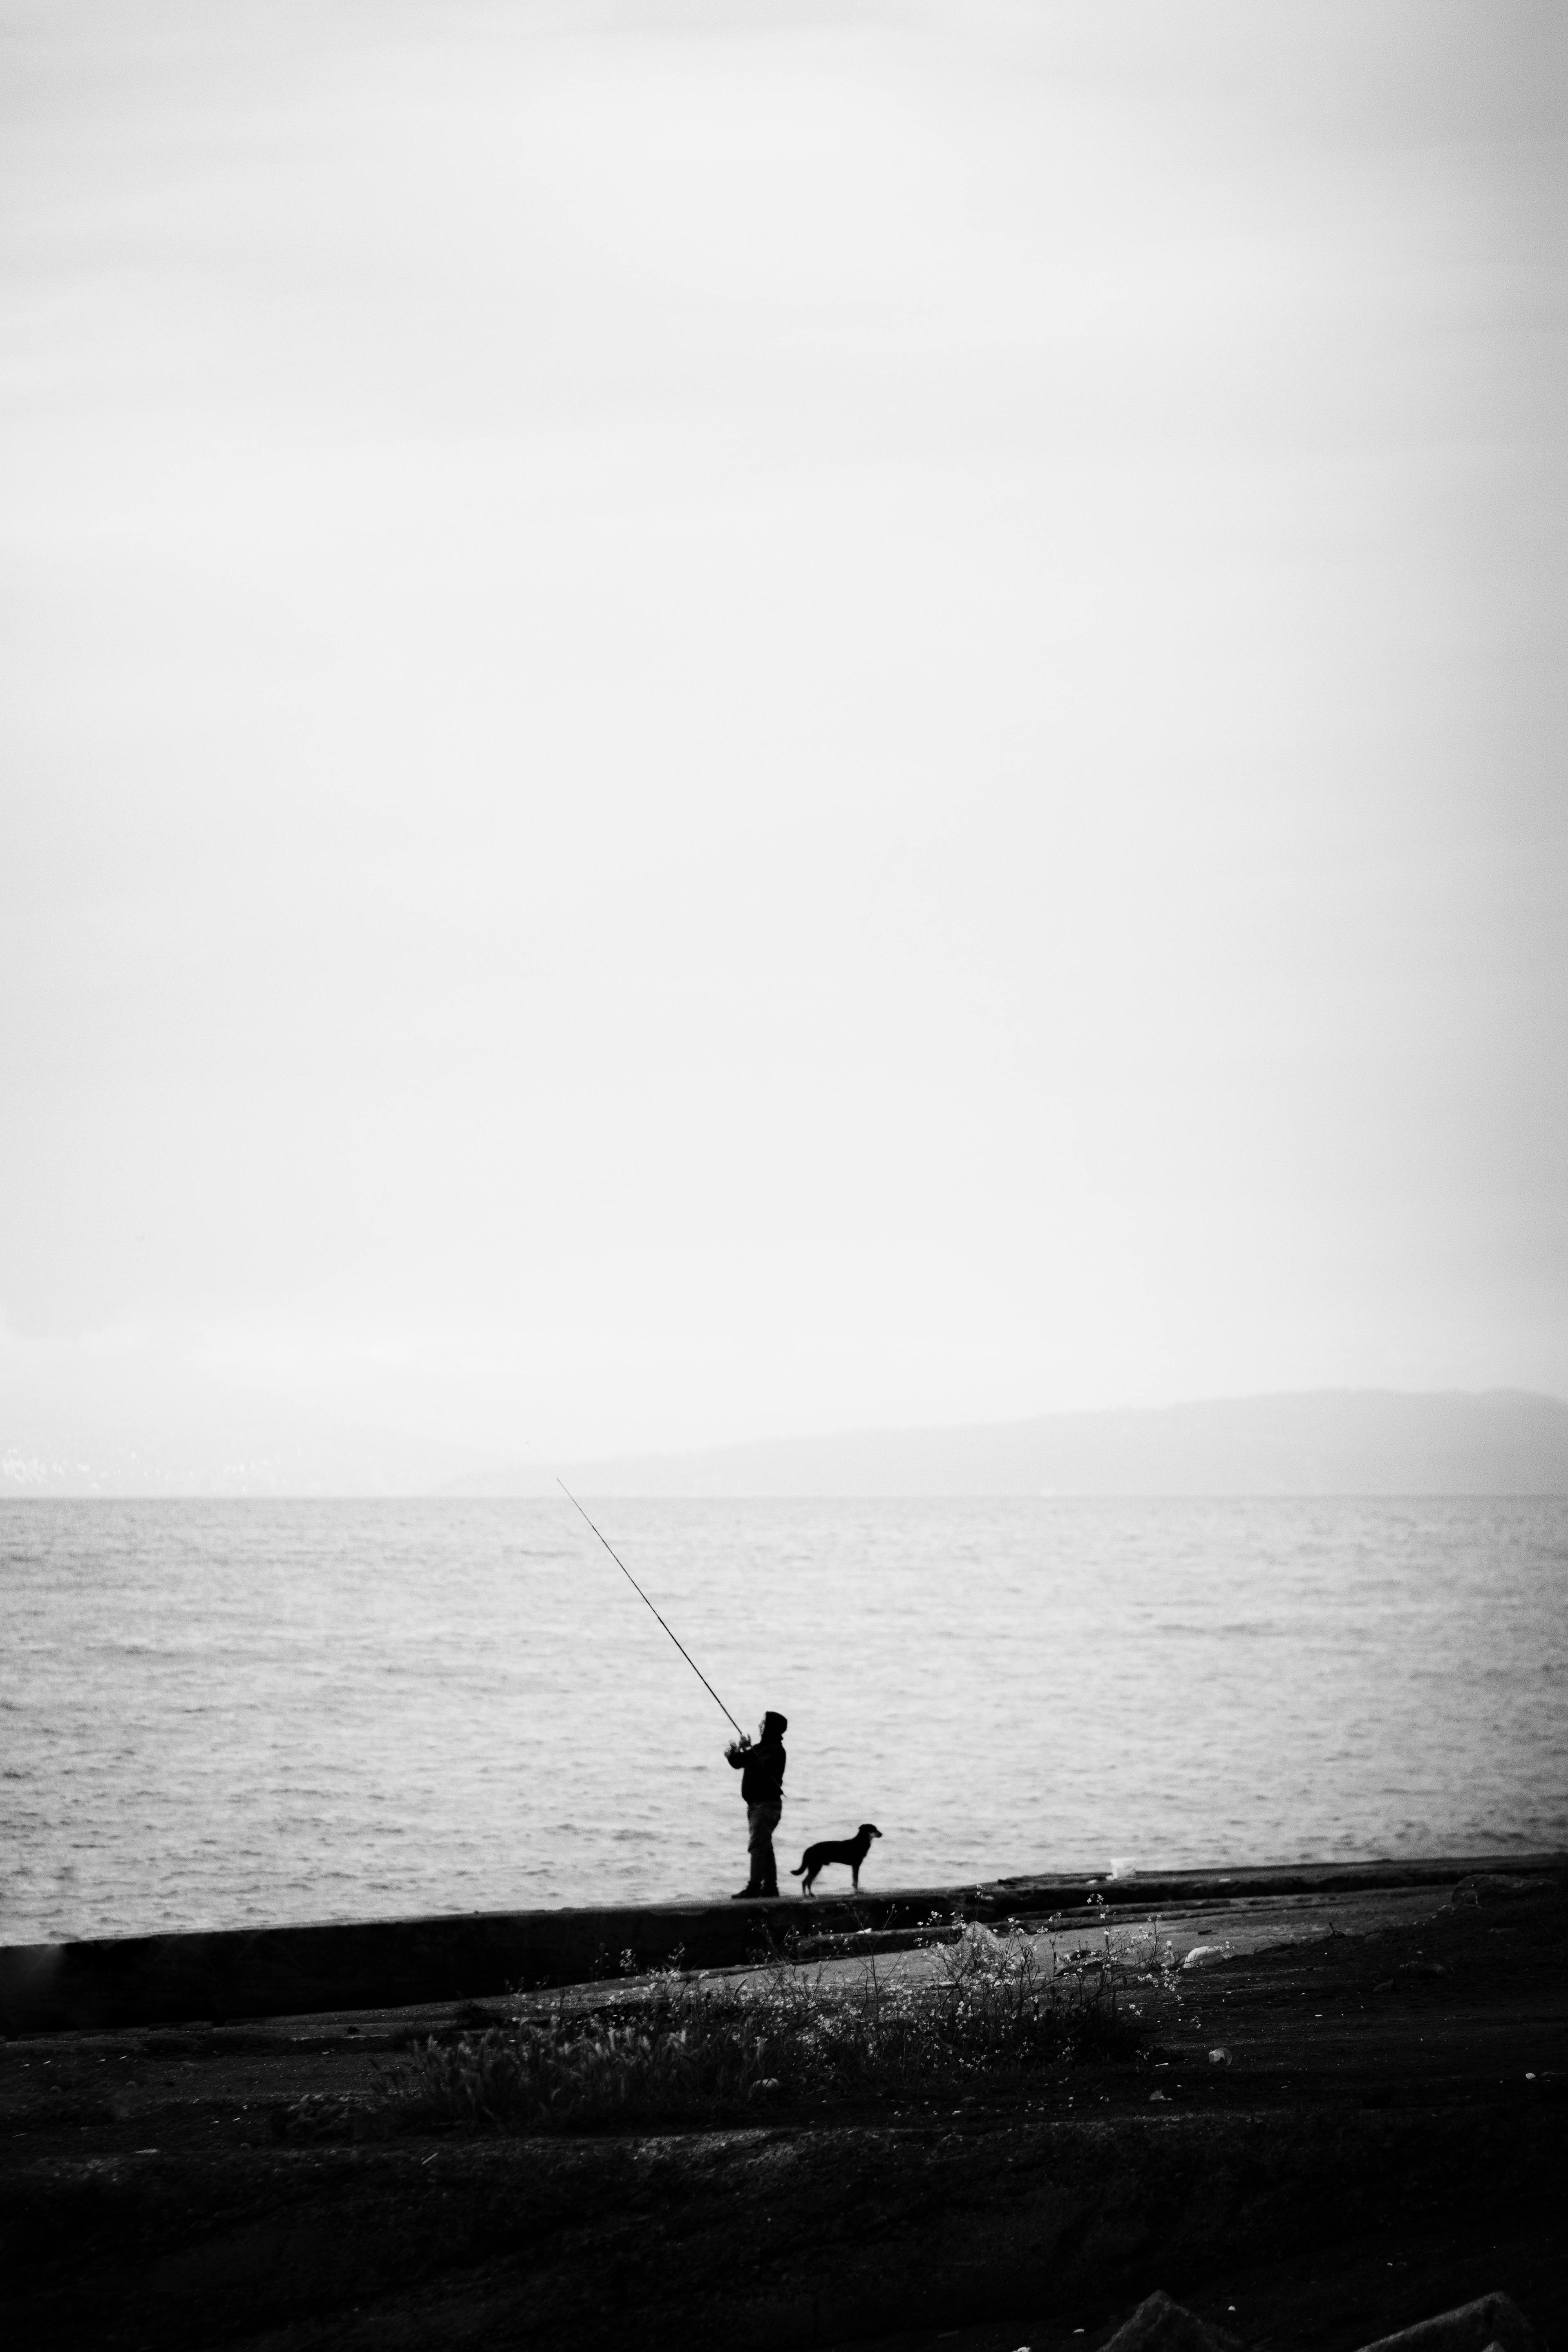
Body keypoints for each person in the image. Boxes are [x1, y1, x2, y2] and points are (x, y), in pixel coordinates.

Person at [724, 1711, 787, 1898]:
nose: (760, 1725)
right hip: (756, 1806)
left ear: (770, 1727)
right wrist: (735, 1752)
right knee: (765, 1846)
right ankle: (770, 1888)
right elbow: (739, 1763)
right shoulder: (762, 1747)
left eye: (763, 1722)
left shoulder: (775, 1750)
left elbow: (761, 1767)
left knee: (758, 1846)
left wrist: (749, 1749)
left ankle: (754, 1888)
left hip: (766, 1806)